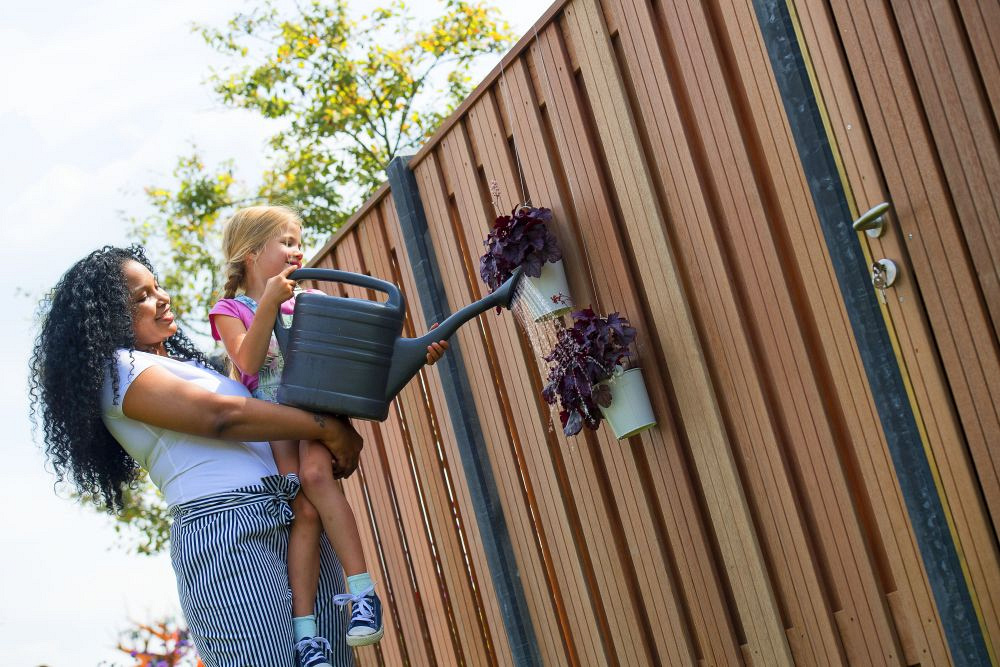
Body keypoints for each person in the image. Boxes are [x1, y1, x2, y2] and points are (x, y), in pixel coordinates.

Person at [29, 245, 364, 667]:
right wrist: (326, 429)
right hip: (227, 533)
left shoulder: (193, 367)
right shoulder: (118, 372)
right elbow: (221, 417)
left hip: (292, 517)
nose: (162, 298)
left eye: (157, 287)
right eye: (142, 297)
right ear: (107, 316)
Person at [209, 205, 448, 661]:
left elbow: (361, 354)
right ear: (251, 253)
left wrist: (420, 350)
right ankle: (306, 635)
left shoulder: (311, 300)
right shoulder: (229, 311)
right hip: (275, 421)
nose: (297, 250)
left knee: (317, 476)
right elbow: (249, 362)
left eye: (299, 242)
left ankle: (363, 594)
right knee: (304, 510)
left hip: (316, 409)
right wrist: (268, 303)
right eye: (287, 242)